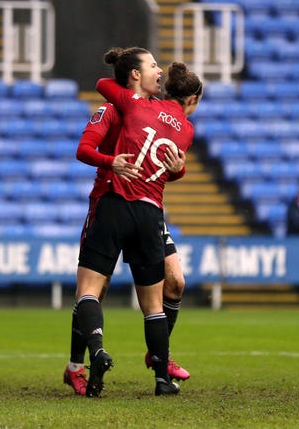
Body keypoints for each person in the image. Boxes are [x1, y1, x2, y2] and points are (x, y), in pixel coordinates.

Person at [73, 47, 202, 397]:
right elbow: (87, 149)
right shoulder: (135, 112)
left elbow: (103, 83)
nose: (159, 70)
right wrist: (112, 161)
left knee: (94, 288)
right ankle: (155, 375)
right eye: (153, 65)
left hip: (129, 203)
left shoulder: (140, 106)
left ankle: (112, 354)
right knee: (140, 300)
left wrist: (178, 169)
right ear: (134, 75)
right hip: (133, 204)